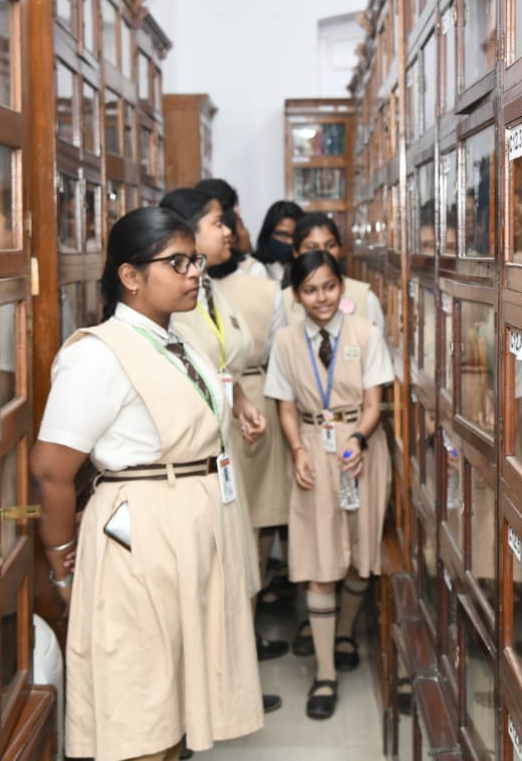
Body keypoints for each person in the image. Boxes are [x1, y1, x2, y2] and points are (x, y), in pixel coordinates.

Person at [30, 207, 263, 761]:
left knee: (176, 695)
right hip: (141, 535)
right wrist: (61, 561)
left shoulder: (175, 339)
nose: (194, 273)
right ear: (131, 276)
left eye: (195, 260)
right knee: (143, 702)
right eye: (177, 263)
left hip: (190, 528)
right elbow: (50, 469)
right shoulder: (97, 354)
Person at [159, 188, 289, 706]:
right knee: (205, 577)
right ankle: (205, 697)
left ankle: (229, 686)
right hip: (193, 460)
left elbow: (221, 366)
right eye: (217, 222)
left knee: (234, 567)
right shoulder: (170, 300)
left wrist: (240, 405)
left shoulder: (211, 288)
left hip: (226, 447)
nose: (228, 230)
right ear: (186, 231)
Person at [263, 250, 394, 720]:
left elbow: (375, 403)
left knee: (360, 556)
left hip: (361, 450)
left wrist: (358, 439)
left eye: (329, 286)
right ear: (297, 296)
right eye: (310, 289)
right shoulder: (285, 342)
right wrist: (297, 450)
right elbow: (284, 407)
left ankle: (344, 633)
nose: (321, 298)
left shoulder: (366, 333)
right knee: (320, 559)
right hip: (313, 452)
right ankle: (325, 673)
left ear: (342, 287)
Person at [269, 213, 386, 342]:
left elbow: (377, 347)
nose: (323, 253)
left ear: (340, 248)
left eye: (330, 245)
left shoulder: (365, 297)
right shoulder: (283, 301)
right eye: (312, 247)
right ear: (296, 252)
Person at [252, 201, 303, 284]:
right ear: (268, 233)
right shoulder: (255, 269)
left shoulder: (305, 267)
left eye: (295, 235)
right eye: (283, 235)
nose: (290, 241)